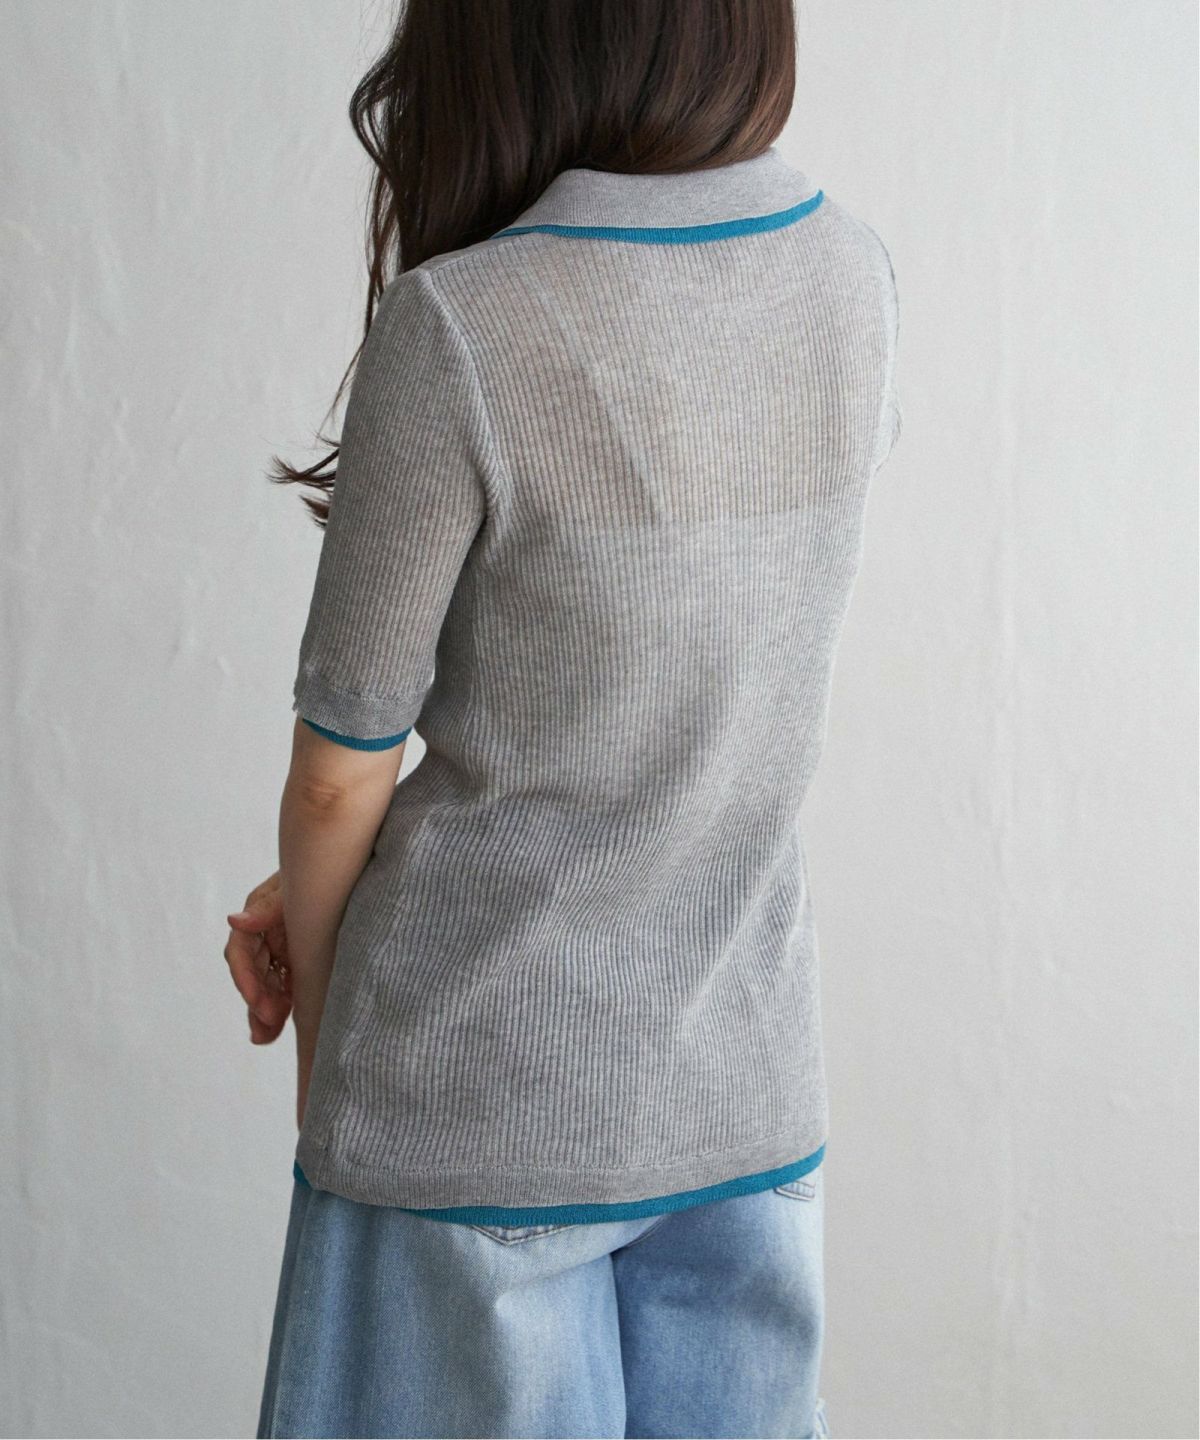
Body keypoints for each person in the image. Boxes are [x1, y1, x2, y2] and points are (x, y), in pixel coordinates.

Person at [223, 1, 900, 1435]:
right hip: (742, 1105)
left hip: (466, 1118)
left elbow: (341, 781)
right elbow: (666, 702)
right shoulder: (851, 275)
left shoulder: (461, 326)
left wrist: (331, 1049)